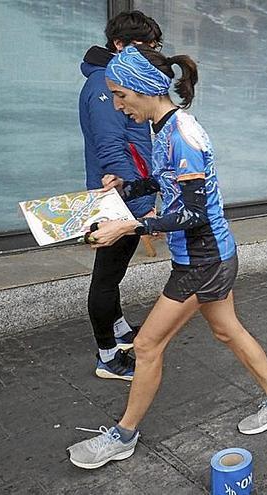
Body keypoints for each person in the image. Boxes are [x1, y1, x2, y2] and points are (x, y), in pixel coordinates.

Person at [68, 45, 267, 469]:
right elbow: (165, 179)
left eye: (121, 96)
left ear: (141, 89)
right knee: (227, 331)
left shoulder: (182, 133)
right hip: (210, 256)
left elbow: (191, 213)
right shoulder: (167, 126)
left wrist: (129, 226)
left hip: (203, 261)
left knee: (147, 345)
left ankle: (123, 435)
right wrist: (126, 189)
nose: (118, 106)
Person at [79, 11, 163, 381]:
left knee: (112, 274)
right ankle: (108, 356)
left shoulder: (116, 79)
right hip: (118, 198)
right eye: (146, 46)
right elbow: (112, 148)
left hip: (129, 193)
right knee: (106, 278)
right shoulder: (104, 84)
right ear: (119, 45)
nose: (151, 53)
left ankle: (119, 330)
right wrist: (135, 199)